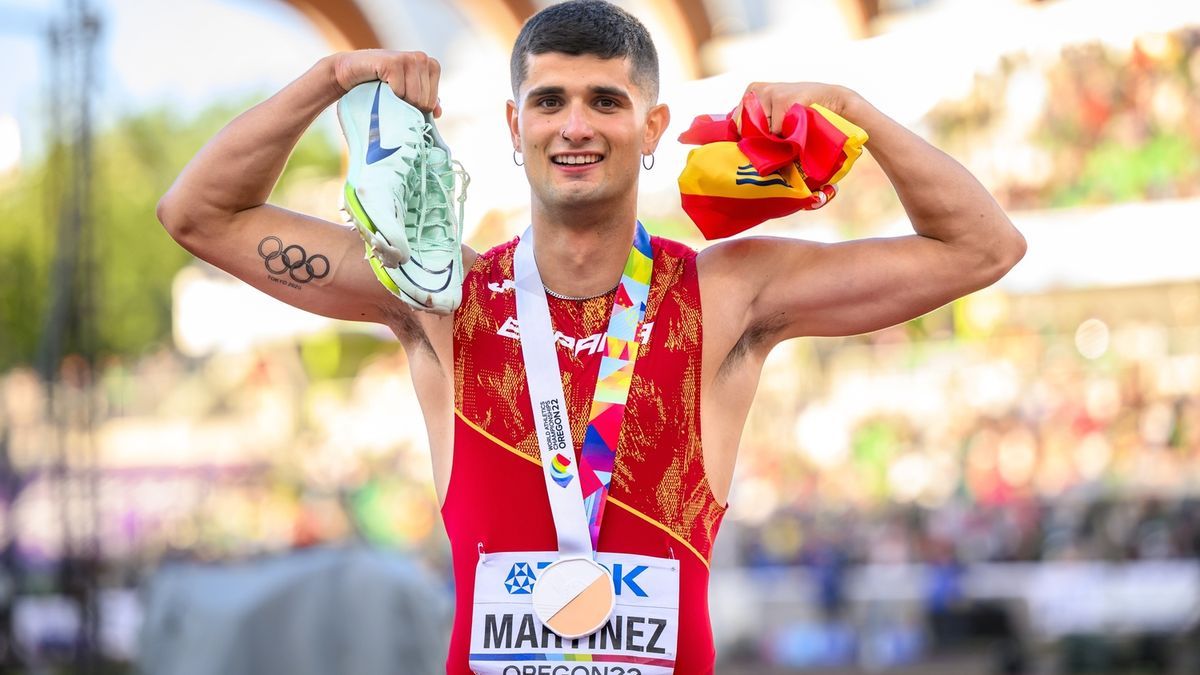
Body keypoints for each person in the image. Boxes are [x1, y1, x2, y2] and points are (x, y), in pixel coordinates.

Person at [156, 1, 1026, 672]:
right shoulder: (439, 291)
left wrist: (851, 111)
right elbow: (198, 213)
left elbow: (984, 247)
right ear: (514, 127)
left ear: (652, 128)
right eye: (550, 101)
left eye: (606, 100)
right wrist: (334, 77)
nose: (575, 125)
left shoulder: (725, 292)